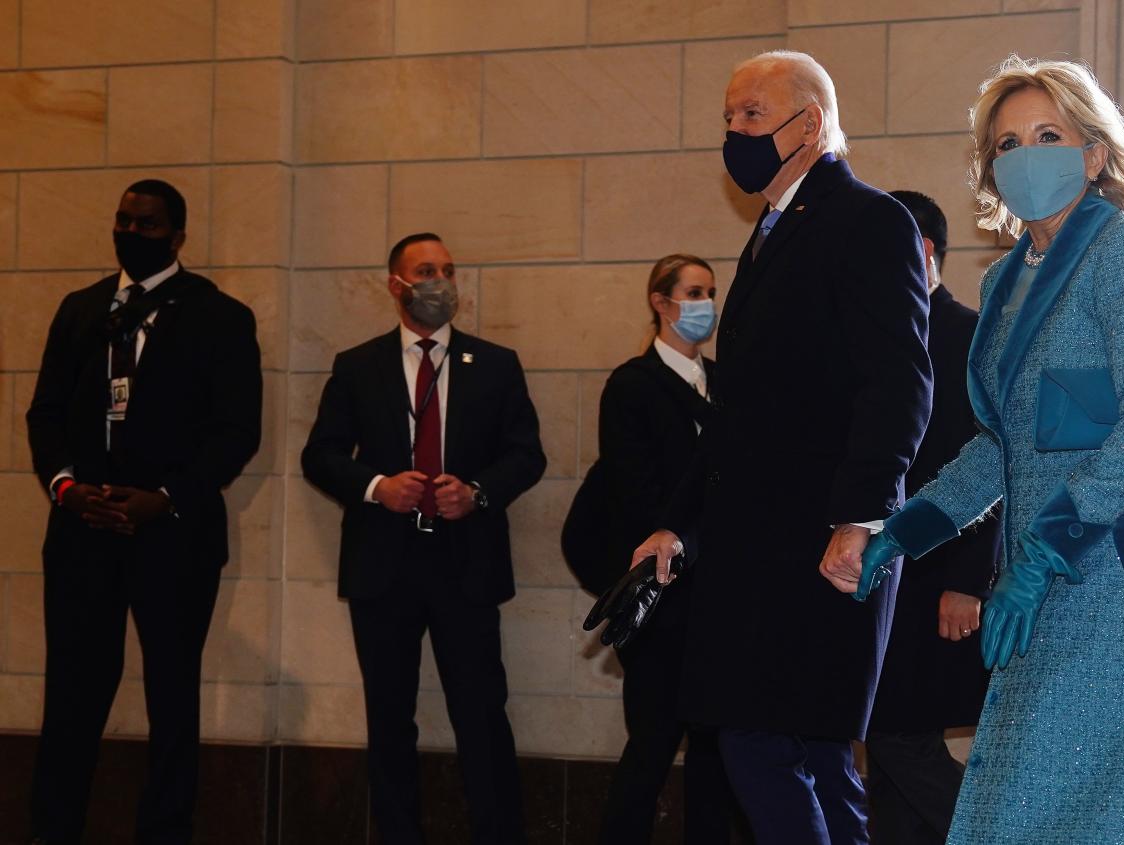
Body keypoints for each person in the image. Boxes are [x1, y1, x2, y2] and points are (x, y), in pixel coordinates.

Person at [845, 57, 1124, 844]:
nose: (1025, 154)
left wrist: (1041, 558)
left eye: (1048, 134)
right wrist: (903, 531)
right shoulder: (1008, 280)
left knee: (1086, 787)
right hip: (1042, 566)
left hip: (1120, 562)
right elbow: (999, 446)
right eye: (1006, 143)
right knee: (1019, 787)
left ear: (1094, 153)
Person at [628, 50, 934, 844]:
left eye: (752, 115)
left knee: (763, 740)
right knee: (805, 749)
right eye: (729, 117)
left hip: (821, 540)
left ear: (811, 122)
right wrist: (679, 523)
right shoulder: (772, 230)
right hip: (758, 547)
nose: (735, 132)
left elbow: (898, 382)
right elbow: (740, 416)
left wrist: (863, 515)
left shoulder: (869, 219)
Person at [25, 179, 263, 844]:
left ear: (177, 236)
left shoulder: (219, 315)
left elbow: (236, 428)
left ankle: (164, 831)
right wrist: (68, 488)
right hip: (82, 531)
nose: (131, 231)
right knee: (71, 696)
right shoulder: (81, 310)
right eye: (123, 219)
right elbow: (45, 413)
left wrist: (167, 496)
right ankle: (52, 829)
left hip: (174, 534)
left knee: (171, 697)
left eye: (148, 223)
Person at [301, 233, 546, 844]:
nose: (440, 281)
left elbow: (527, 455)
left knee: (482, 718)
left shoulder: (495, 363)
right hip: (384, 567)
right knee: (389, 721)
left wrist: (479, 492)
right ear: (396, 285)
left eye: (448, 269)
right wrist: (377, 486)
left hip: (466, 566)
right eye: (426, 270)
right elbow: (321, 455)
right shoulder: (357, 366)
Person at [863, 190, 1001, 845]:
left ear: (922, 252)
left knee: (893, 733)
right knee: (889, 754)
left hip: (940, 579)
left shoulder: (969, 335)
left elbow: (990, 461)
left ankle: (992, 834)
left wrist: (967, 581)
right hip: (887, 574)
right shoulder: (883, 336)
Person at [593, 255, 734, 844]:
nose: (705, 304)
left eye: (710, 292)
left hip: (720, 600)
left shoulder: (725, 382)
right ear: (660, 302)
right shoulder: (632, 385)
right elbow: (636, 492)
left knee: (715, 751)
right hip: (665, 595)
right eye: (693, 292)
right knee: (651, 745)